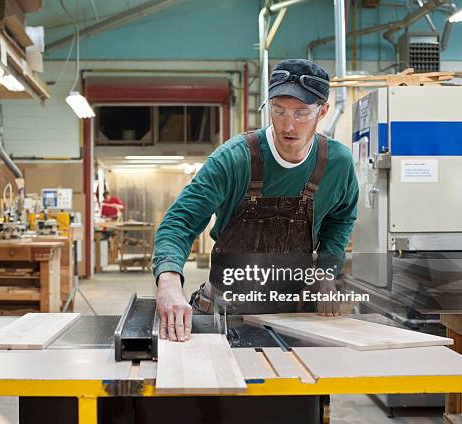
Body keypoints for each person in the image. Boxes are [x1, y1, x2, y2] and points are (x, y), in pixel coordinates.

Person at [152, 59, 359, 342]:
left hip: (295, 315)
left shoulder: (337, 163)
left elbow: (340, 218)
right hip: (226, 311)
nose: (288, 124)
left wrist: (325, 273)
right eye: (278, 110)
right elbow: (180, 221)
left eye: (301, 113)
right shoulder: (234, 158)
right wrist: (169, 280)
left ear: (322, 111)